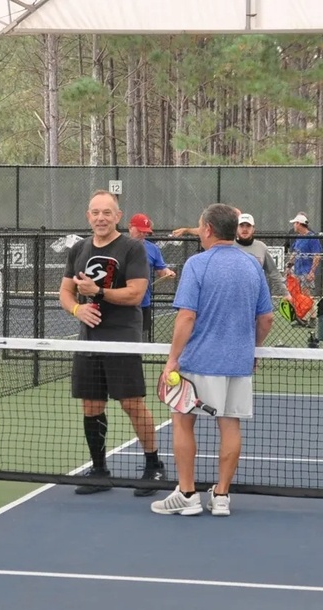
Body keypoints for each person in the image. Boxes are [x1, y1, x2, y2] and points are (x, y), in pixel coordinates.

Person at [151, 203, 274, 517]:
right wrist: (252, 350)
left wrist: (171, 361)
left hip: (197, 362)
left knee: (182, 421)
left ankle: (188, 494)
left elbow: (186, 317)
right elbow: (266, 320)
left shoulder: (196, 264)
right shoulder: (252, 266)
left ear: (206, 229)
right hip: (238, 363)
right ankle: (221, 497)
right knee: (230, 425)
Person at [59, 190, 164, 497]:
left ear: (118, 216)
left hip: (122, 337)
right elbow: (65, 292)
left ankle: (153, 466)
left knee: (131, 403)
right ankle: (99, 470)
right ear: (88, 217)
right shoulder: (79, 248)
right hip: (88, 340)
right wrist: (78, 308)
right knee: (91, 405)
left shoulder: (132, 247)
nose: (101, 218)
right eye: (95, 212)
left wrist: (99, 292)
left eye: (107, 212)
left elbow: (135, 293)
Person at [171, 211, 289, 300]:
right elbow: (206, 230)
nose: (244, 229)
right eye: (241, 226)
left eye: (248, 226)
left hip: (254, 297)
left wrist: (286, 293)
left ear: (253, 229)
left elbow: (274, 273)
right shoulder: (227, 245)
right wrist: (186, 230)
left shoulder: (261, 247)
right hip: (229, 297)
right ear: (236, 228)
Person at [127, 213, 176, 342]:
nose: (143, 234)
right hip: (122, 303)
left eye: (145, 232)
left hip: (143, 302)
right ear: (130, 228)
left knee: (141, 340)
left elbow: (161, 270)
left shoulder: (153, 249)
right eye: (140, 231)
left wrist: (167, 272)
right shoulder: (120, 246)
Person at [287, 212, 323, 296]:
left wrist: (312, 272)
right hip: (297, 271)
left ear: (299, 224)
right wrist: (288, 267)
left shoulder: (312, 237)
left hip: (306, 272)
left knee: (305, 296)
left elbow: (316, 256)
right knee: (297, 296)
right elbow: (295, 253)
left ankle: (311, 309)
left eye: (295, 223)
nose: (294, 226)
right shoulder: (299, 237)